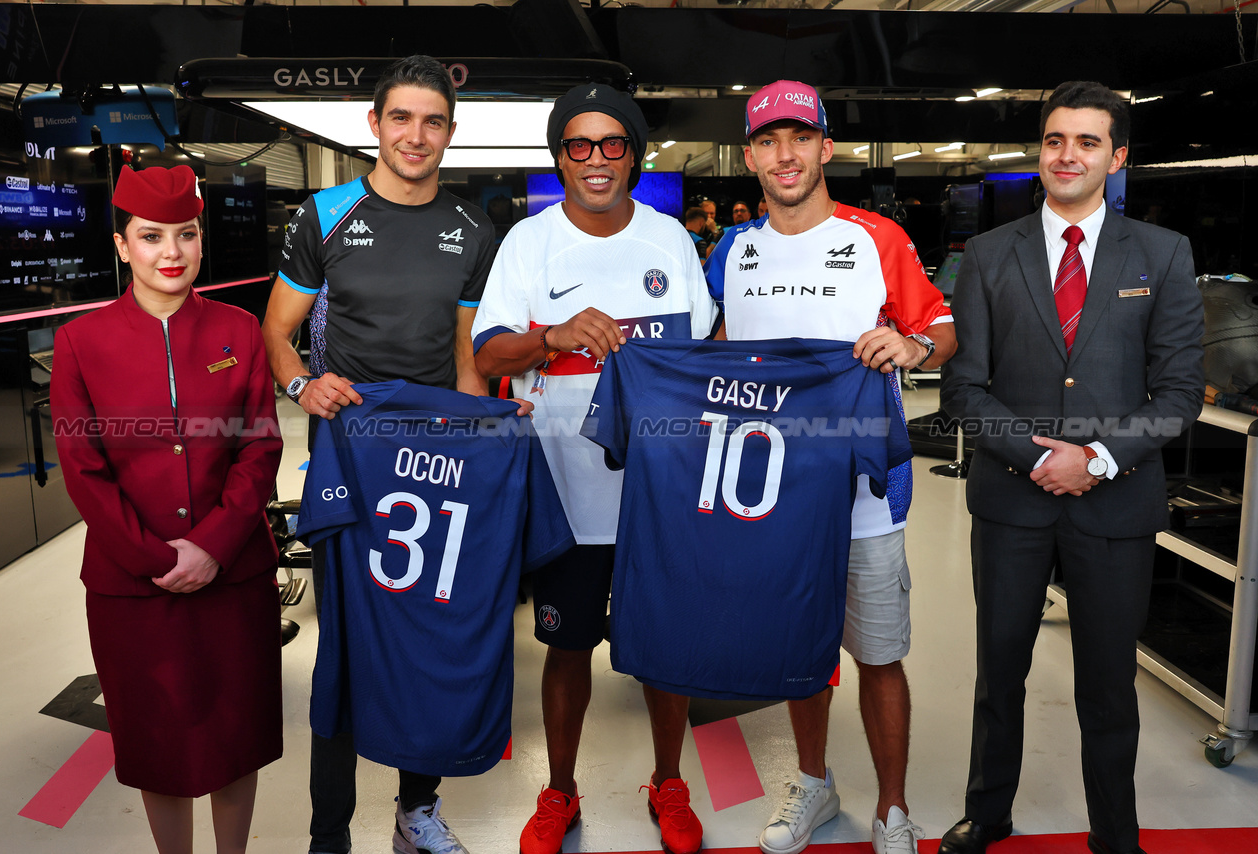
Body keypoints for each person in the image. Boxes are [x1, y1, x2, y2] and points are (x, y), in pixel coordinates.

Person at [937, 81, 1204, 854]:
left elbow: (1181, 390)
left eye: (1088, 142)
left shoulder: (1162, 254)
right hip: (1012, 503)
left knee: (1108, 686)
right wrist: (1039, 457)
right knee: (999, 673)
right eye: (1056, 140)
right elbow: (965, 387)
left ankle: (1115, 833)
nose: (1068, 155)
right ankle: (987, 812)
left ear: (1116, 157)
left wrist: (1098, 457)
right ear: (1040, 151)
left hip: (1116, 505)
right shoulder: (988, 255)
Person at [704, 79, 955, 854]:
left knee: (878, 653)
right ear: (750, 157)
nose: (786, 155)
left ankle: (892, 809)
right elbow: (710, 353)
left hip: (864, 491)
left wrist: (913, 348)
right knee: (798, 649)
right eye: (770, 142)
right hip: (768, 490)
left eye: (800, 138)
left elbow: (942, 329)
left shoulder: (878, 237)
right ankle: (813, 782)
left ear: (826, 147)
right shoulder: (731, 249)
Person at [471, 82, 718, 854]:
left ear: (636, 156)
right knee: (565, 645)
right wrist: (552, 335)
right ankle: (560, 791)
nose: (597, 160)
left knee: (666, 646)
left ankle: (668, 782)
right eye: (580, 146)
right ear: (560, 158)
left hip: (657, 488)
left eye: (614, 145)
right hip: (566, 489)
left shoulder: (670, 240)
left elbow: (704, 352)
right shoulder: (528, 243)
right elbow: (487, 352)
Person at [260, 55, 498, 854]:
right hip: (350, 462)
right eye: (401, 118)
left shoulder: (470, 228)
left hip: (435, 460)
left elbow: (466, 350)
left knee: (427, 630)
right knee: (349, 646)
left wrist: (481, 433)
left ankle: (416, 809)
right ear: (374, 125)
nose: (416, 135)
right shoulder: (323, 215)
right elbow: (276, 333)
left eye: (433, 121)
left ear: (451, 135)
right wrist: (302, 389)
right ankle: (330, 831)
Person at [52, 164, 284, 854]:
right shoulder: (81, 343)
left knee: (235, 737)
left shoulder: (239, 332)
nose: (172, 252)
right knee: (158, 741)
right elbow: (84, 469)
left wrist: (213, 544)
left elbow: (258, 448)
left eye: (186, 234)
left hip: (234, 574)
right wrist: (157, 557)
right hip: (132, 584)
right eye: (151, 237)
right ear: (123, 246)